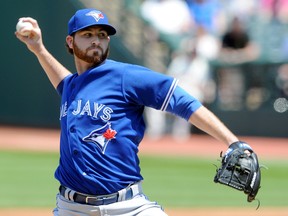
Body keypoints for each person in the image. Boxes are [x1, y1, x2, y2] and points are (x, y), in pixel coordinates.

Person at [16, 8, 249, 216]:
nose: (96, 40)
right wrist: (38, 49)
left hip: (127, 208)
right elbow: (64, 82)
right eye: (88, 35)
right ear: (70, 41)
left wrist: (233, 142)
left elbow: (184, 102)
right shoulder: (73, 86)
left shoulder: (126, 76)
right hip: (71, 208)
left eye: (102, 35)